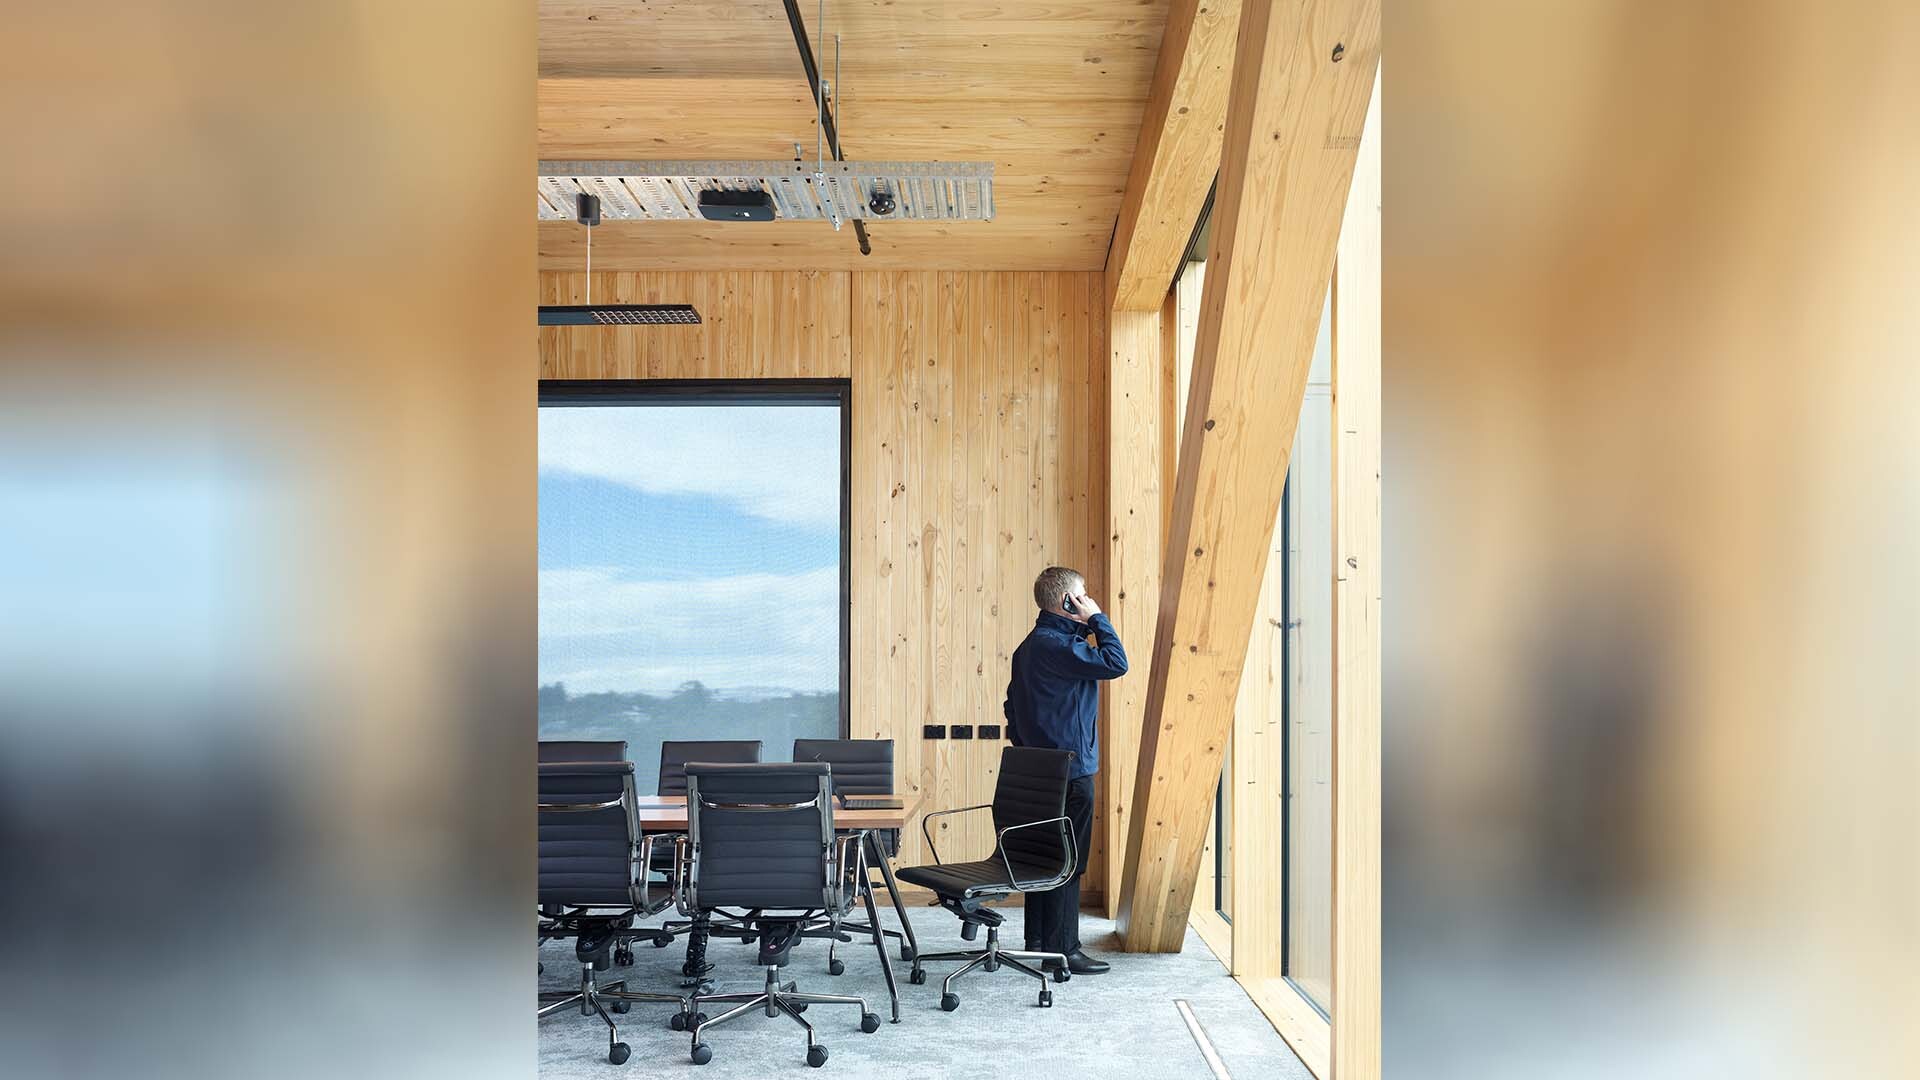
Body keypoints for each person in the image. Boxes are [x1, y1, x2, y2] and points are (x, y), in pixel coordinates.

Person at [1003, 565, 1128, 975]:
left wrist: (1028, 749)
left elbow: (1011, 707)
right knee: (1067, 862)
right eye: (1083, 595)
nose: (1089, 600)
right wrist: (1097, 619)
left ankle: (1039, 941)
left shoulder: (1030, 646)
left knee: (1044, 859)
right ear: (1068, 602)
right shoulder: (1055, 646)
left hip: (1039, 772)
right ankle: (1064, 950)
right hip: (1069, 774)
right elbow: (1116, 662)